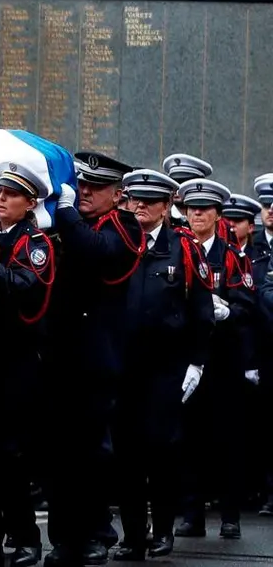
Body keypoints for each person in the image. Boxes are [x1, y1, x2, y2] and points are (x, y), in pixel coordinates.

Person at [108, 170, 213, 561]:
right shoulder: (118, 241)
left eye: (149, 201)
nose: (138, 207)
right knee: (127, 455)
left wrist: (197, 363)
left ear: (167, 206)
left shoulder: (182, 248)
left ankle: (164, 530)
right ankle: (134, 535)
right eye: (134, 199)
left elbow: (201, 310)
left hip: (165, 369)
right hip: (123, 365)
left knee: (161, 451)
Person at [44, 151, 143, 567]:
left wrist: (65, 213)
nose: (84, 192)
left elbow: (98, 254)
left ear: (117, 195)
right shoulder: (70, 227)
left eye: (95, 187)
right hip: (61, 355)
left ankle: (95, 533)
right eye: (81, 184)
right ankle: (65, 537)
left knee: (90, 454)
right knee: (59, 454)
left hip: (96, 359)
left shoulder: (124, 226)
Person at [0, 162, 54, 567]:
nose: (2, 199)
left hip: (16, 360)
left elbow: (25, 287)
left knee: (10, 455)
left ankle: (26, 537)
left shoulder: (35, 243)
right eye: (0, 192)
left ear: (30, 203)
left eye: (12, 194)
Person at [175, 186, 257, 540]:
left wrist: (227, 310)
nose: (197, 215)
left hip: (222, 359)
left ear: (216, 215)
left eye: (204, 210)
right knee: (189, 439)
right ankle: (192, 514)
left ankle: (230, 515)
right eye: (192, 209)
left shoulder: (232, 257)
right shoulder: (177, 251)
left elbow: (247, 304)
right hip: (189, 358)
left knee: (226, 440)